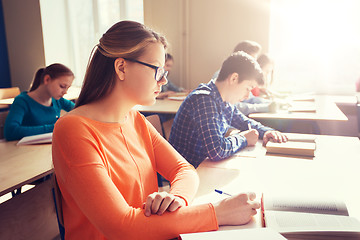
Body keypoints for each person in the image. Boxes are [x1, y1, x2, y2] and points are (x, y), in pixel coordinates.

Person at [52, 21, 261, 240]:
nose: (163, 80)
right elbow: (122, 226)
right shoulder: (73, 129)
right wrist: (218, 213)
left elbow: (184, 169)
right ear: (121, 67)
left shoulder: (134, 119)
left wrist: (177, 198)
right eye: (157, 70)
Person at [169, 51, 288, 168]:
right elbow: (216, 150)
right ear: (234, 78)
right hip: (186, 174)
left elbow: (244, 122)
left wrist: (266, 131)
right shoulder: (204, 100)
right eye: (248, 88)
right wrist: (244, 138)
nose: (247, 96)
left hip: (203, 168)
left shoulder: (224, 101)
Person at [4, 63, 75, 141]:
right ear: (47, 79)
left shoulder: (58, 100)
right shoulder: (22, 101)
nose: (65, 92)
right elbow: (10, 132)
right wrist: (55, 127)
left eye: (67, 88)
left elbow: (79, 110)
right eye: (62, 86)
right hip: (25, 150)